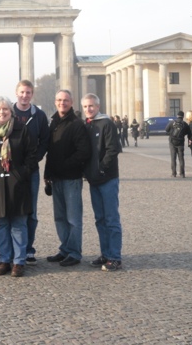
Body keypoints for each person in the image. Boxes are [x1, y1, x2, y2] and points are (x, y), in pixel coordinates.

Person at [0, 96, 38, 277]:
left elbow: (32, 156)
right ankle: (4, 259)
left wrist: (21, 175)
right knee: (1, 224)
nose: (1, 112)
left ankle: (19, 261)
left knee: (19, 223)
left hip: (18, 184)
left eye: (5, 109)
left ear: (11, 112)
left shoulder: (21, 130)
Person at [43, 90, 92, 267]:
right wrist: (47, 173)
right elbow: (50, 151)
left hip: (71, 178)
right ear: (55, 102)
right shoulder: (54, 122)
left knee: (73, 218)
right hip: (56, 178)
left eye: (65, 100)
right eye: (59, 100)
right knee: (60, 217)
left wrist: (65, 165)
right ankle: (65, 249)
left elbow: (84, 152)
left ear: (71, 102)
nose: (62, 103)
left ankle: (74, 252)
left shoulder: (77, 124)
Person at [82, 93, 123, 272]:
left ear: (98, 107)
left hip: (107, 178)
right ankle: (105, 253)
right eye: (85, 106)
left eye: (91, 106)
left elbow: (113, 149)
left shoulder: (107, 124)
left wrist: (101, 169)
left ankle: (115, 257)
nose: (88, 109)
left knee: (111, 219)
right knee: (100, 219)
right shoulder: (87, 125)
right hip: (94, 180)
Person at [13, 80, 50, 264]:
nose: (25, 95)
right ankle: (13, 249)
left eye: (28, 92)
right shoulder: (8, 112)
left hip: (32, 171)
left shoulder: (39, 116)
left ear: (32, 94)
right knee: (12, 210)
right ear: (16, 93)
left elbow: (45, 140)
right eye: (22, 92)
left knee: (31, 212)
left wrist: (35, 159)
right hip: (11, 170)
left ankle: (28, 248)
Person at [165, 111, 190, 178]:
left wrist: (171, 133)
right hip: (181, 142)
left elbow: (166, 130)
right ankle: (182, 174)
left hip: (172, 142)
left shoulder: (172, 122)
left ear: (177, 115)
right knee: (181, 158)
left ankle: (174, 173)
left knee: (173, 158)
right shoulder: (185, 124)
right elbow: (188, 132)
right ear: (183, 116)